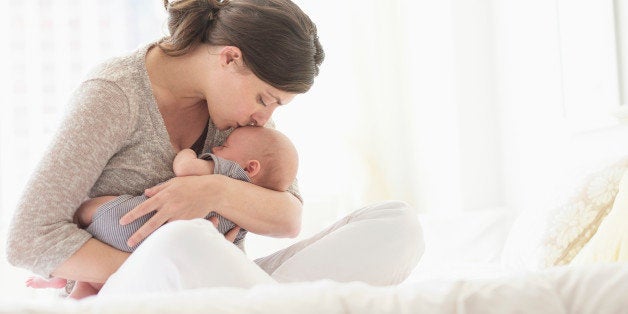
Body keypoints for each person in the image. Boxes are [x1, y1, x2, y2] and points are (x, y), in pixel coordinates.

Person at [7, 0, 424, 298]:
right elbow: (27, 239)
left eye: (276, 106)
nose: (265, 117)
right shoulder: (115, 95)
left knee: (397, 226)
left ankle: (256, 302)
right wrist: (171, 268)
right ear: (229, 58)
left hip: (227, 289)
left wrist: (212, 191)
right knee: (185, 241)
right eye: (265, 98)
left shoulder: (238, 117)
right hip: (136, 289)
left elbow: (288, 216)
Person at [25, 126, 299, 299]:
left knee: (93, 209)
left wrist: (187, 153)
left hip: (129, 222)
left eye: (224, 147)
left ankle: (68, 275)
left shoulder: (228, 172)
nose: (216, 148)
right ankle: (75, 290)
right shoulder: (252, 208)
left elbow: (186, 170)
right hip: (147, 244)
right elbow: (231, 245)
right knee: (93, 286)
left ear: (250, 168)